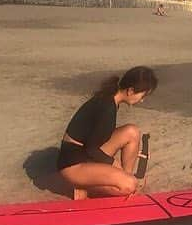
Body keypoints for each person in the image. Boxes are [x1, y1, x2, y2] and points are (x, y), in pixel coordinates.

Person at [57, 66, 157, 200]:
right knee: (129, 185)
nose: (142, 100)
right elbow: (91, 149)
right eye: (143, 95)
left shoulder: (111, 98)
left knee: (132, 132)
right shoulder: (107, 108)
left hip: (85, 152)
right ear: (131, 90)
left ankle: (122, 176)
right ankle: (83, 185)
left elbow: (93, 143)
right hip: (73, 164)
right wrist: (114, 164)